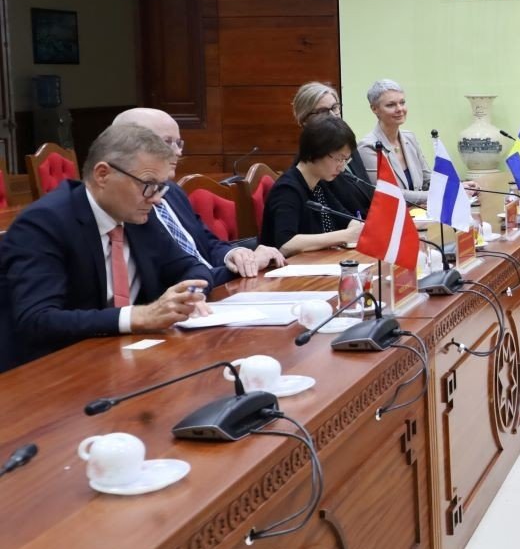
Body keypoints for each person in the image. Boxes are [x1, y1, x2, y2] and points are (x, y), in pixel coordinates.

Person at [0, 125, 215, 372]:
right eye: (148, 185)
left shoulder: (138, 216)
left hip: (125, 358)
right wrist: (139, 316)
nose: (156, 198)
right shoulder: (44, 224)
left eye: (161, 187)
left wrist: (188, 295)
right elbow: (38, 319)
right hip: (53, 370)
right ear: (103, 174)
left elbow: (191, 266)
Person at [112, 108, 285, 282]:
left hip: (216, 285)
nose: (178, 152)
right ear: (130, 146)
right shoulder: (132, 209)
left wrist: (234, 254)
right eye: (167, 142)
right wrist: (250, 266)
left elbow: (208, 243)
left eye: (179, 143)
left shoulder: (173, 192)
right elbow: (178, 278)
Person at [261, 116, 364, 256]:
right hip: (290, 267)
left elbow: (346, 218)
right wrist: (345, 235)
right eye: (339, 159)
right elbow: (285, 244)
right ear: (315, 151)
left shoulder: (319, 184)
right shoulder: (287, 189)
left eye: (345, 160)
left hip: (319, 261)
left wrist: (354, 226)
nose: (341, 167)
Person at [292, 82, 373, 217]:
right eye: (322, 111)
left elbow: (367, 193)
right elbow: (336, 216)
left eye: (335, 108)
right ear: (304, 120)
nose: (333, 115)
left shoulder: (346, 145)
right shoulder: (312, 164)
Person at [358, 79, 431, 207]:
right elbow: (388, 194)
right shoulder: (368, 147)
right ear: (374, 109)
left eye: (402, 103)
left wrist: (456, 187)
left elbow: (428, 179)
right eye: (391, 105)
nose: (400, 109)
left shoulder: (410, 138)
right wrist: (431, 196)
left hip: (421, 214)